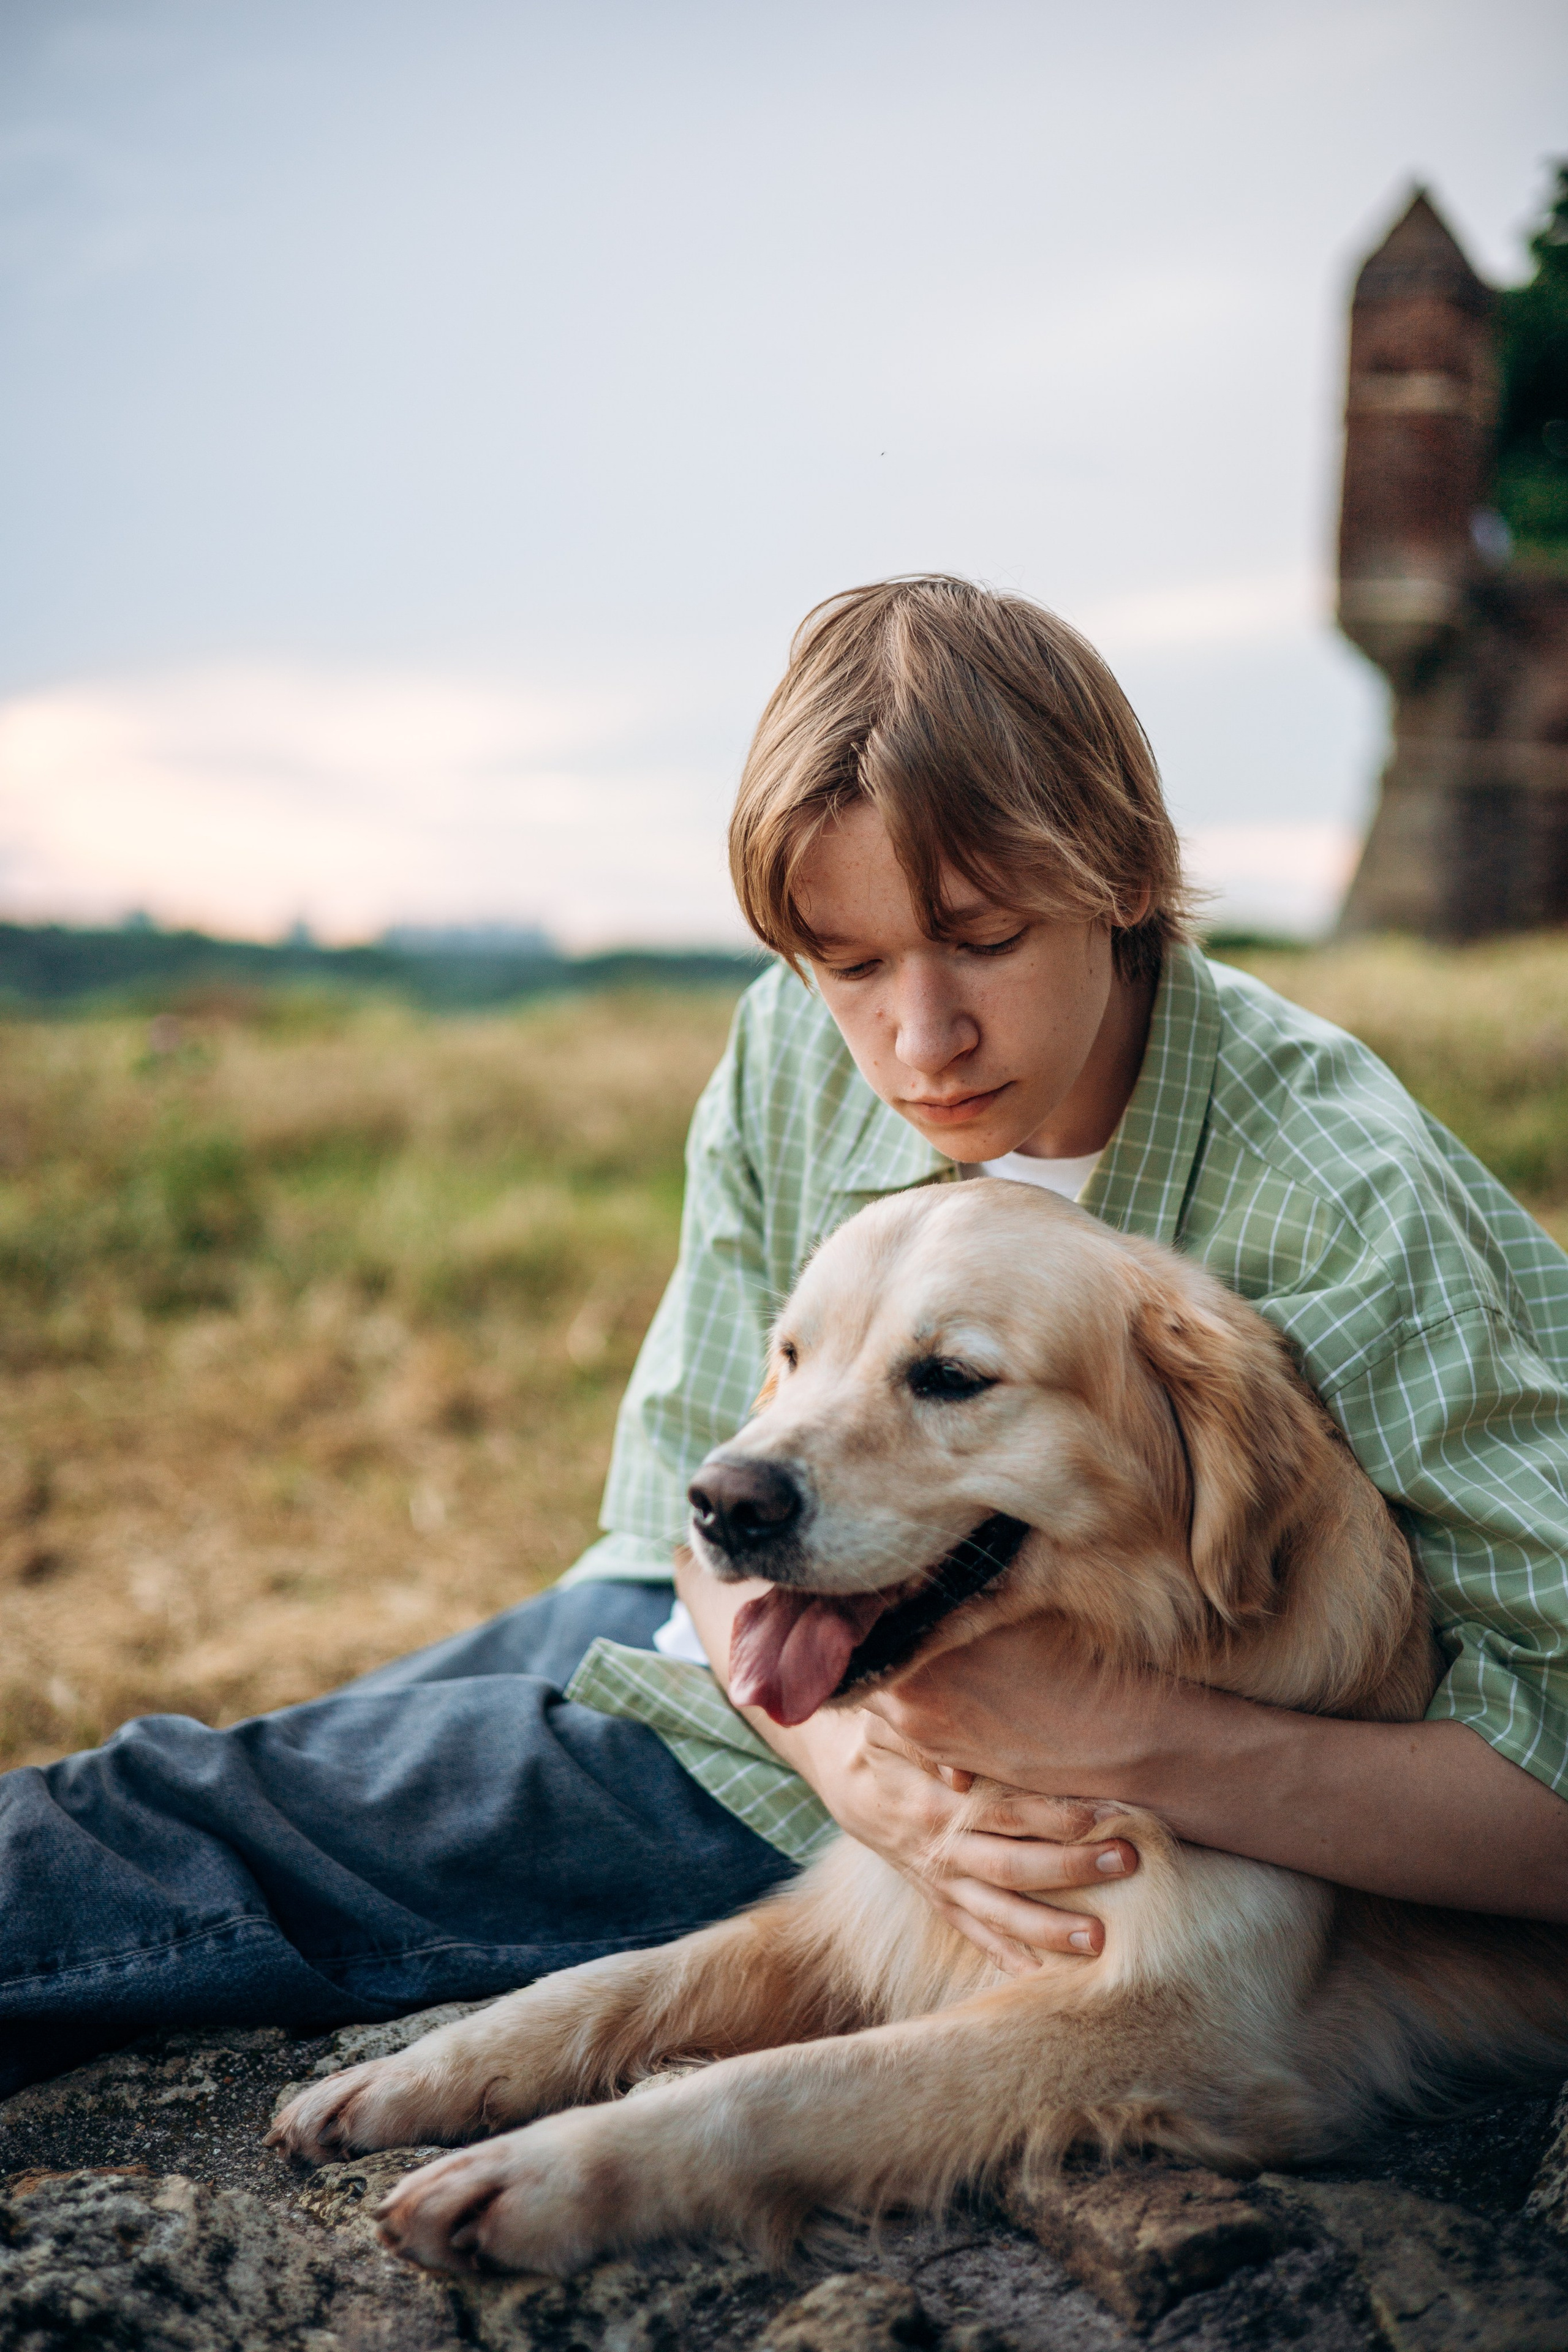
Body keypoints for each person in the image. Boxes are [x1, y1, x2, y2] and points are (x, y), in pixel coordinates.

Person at [3, 576, 1565, 2100]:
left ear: (1129, 879)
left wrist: (1122, 1743)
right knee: (219, 1764)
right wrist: (857, 1773)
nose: (919, 1037)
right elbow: (694, 1503)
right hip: (762, 1680)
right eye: (852, 963)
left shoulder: (1345, 1204)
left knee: (165, 1824)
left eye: (986, 936)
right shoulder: (784, 1043)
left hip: (908, 1803)